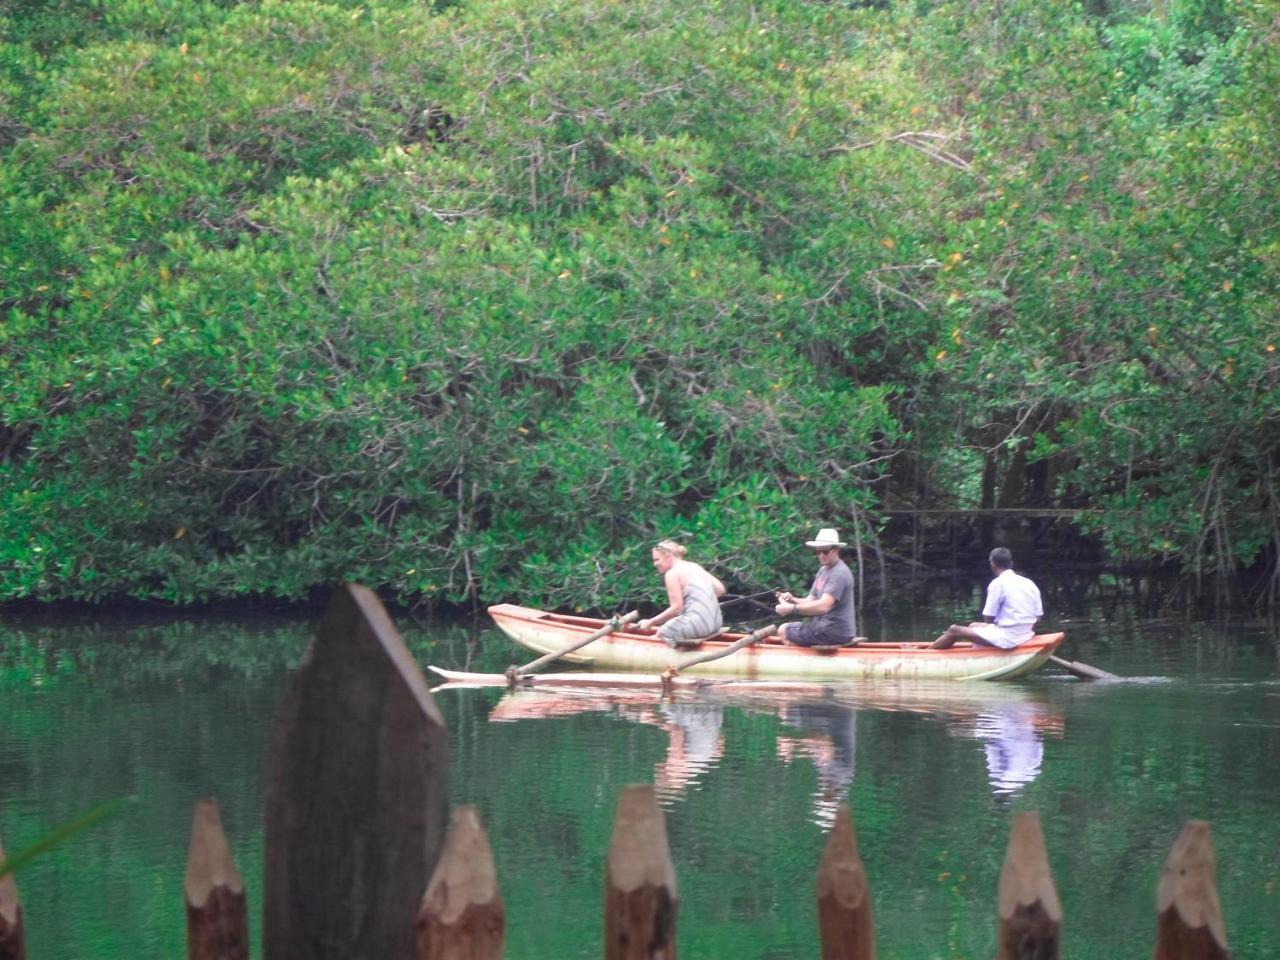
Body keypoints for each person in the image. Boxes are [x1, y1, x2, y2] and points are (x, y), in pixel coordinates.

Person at [930, 547, 1043, 649]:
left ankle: (929, 654)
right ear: (1011, 564)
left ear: (992, 565)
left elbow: (988, 618)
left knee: (954, 630)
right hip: (1026, 634)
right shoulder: (1029, 583)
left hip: (1008, 638)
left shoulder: (997, 584)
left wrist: (995, 628)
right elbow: (1037, 618)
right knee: (972, 625)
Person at [774, 528, 858, 647]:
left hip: (833, 631)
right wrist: (792, 600)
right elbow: (811, 600)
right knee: (787, 629)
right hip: (824, 629)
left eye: (825, 551)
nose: (821, 556)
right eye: (818, 552)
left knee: (783, 630)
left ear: (836, 550)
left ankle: (802, 660)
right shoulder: (823, 570)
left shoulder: (838, 573)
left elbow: (823, 607)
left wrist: (791, 609)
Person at [638, 540, 727, 648]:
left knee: (662, 632)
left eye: (657, 559)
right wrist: (700, 603)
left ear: (668, 556)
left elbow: (676, 608)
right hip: (716, 623)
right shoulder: (694, 566)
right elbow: (720, 589)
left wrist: (650, 622)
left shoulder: (672, 574)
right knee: (672, 625)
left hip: (700, 625)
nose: (655, 564)